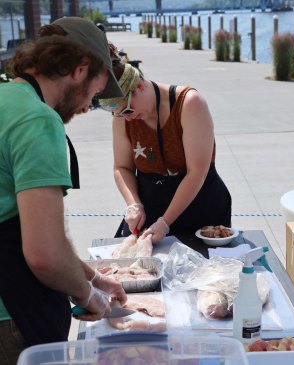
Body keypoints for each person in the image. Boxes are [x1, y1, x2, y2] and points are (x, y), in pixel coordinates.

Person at [0, 17, 127, 364]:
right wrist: (90, 296)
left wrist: (95, 277)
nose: (88, 106)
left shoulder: (6, 99)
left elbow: (26, 225)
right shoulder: (37, 119)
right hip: (13, 317)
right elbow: (45, 253)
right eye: (94, 93)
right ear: (79, 69)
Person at [100, 60, 232, 243]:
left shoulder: (189, 103)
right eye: (120, 114)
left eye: (129, 110)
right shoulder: (124, 117)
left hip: (199, 204)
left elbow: (197, 172)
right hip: (150, 205)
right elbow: (122, 167)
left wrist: (165, 222)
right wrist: (134, 204)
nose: (128, 119)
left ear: (139, 85)